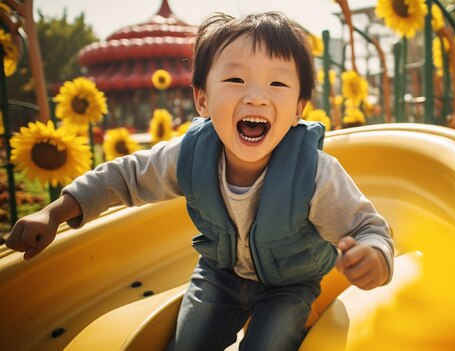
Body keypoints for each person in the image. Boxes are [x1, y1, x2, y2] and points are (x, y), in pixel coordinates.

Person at [6, 12, 394, 351]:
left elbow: (366, 227)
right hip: (219, 274)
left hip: (289, 284)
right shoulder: (189, 156)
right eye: (236, 80)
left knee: (269, 343)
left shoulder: (314, 173)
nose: (256, 97)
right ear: (203, 100)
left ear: (298, 109)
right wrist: (55, 212)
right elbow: (124, 176)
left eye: (277, 84)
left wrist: (373, 256)